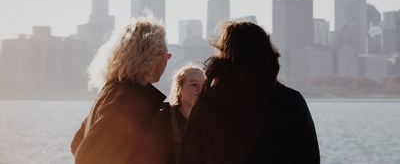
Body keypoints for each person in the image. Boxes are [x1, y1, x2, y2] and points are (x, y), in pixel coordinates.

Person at [181, 21, 320, 164]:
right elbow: (309, 157)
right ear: (267, 56)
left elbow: (188, 157)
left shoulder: (208, 103)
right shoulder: (290, 102)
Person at [71, 17, 172, 164]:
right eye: (166, 55)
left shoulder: (113, 91)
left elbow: (77, 143)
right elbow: (87, 157)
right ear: (151, 57)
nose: (166, 61)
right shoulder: (130, 100)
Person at [168, 64, 206, 162]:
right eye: (194, 84)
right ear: (180, 89)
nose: (200, 90)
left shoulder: (209, 121)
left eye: (204, 85)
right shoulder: (166, 116)